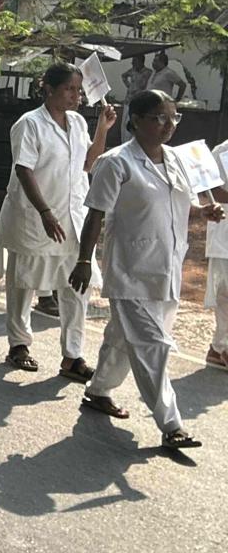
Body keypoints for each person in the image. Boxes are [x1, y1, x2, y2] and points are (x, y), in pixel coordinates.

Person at [70, 90, 223, 450]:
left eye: (174, 117)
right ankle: (171, 425)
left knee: (123, 337)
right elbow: (95, 214)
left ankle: (99, 390)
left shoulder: (176, 159)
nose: (169, 125)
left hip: (167, 269)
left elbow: (177, 203)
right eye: (159, 117)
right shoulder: (115, 163)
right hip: (130, 271)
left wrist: (202, 212)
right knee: (153, 345)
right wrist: (83, 261)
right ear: (136, 120)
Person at [0, 62, 116, 378]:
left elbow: (88, 163)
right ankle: (19, 345)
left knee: (77, 287)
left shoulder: (77, 122)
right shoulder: (29, 124)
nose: (76, 96)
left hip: (72, 218)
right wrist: (45, 212)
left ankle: (72, 356)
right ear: (48, 89)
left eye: (78, 90)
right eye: (69, 89)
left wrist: (103, 128)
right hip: (35, 217)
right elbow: (24, 169)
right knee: (22, 283)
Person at [205, 138, 228, 370]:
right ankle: (223, 347)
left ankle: (219, 347)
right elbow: (213, 191)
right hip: (225, 234)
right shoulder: (223, 151)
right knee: (226, 291)